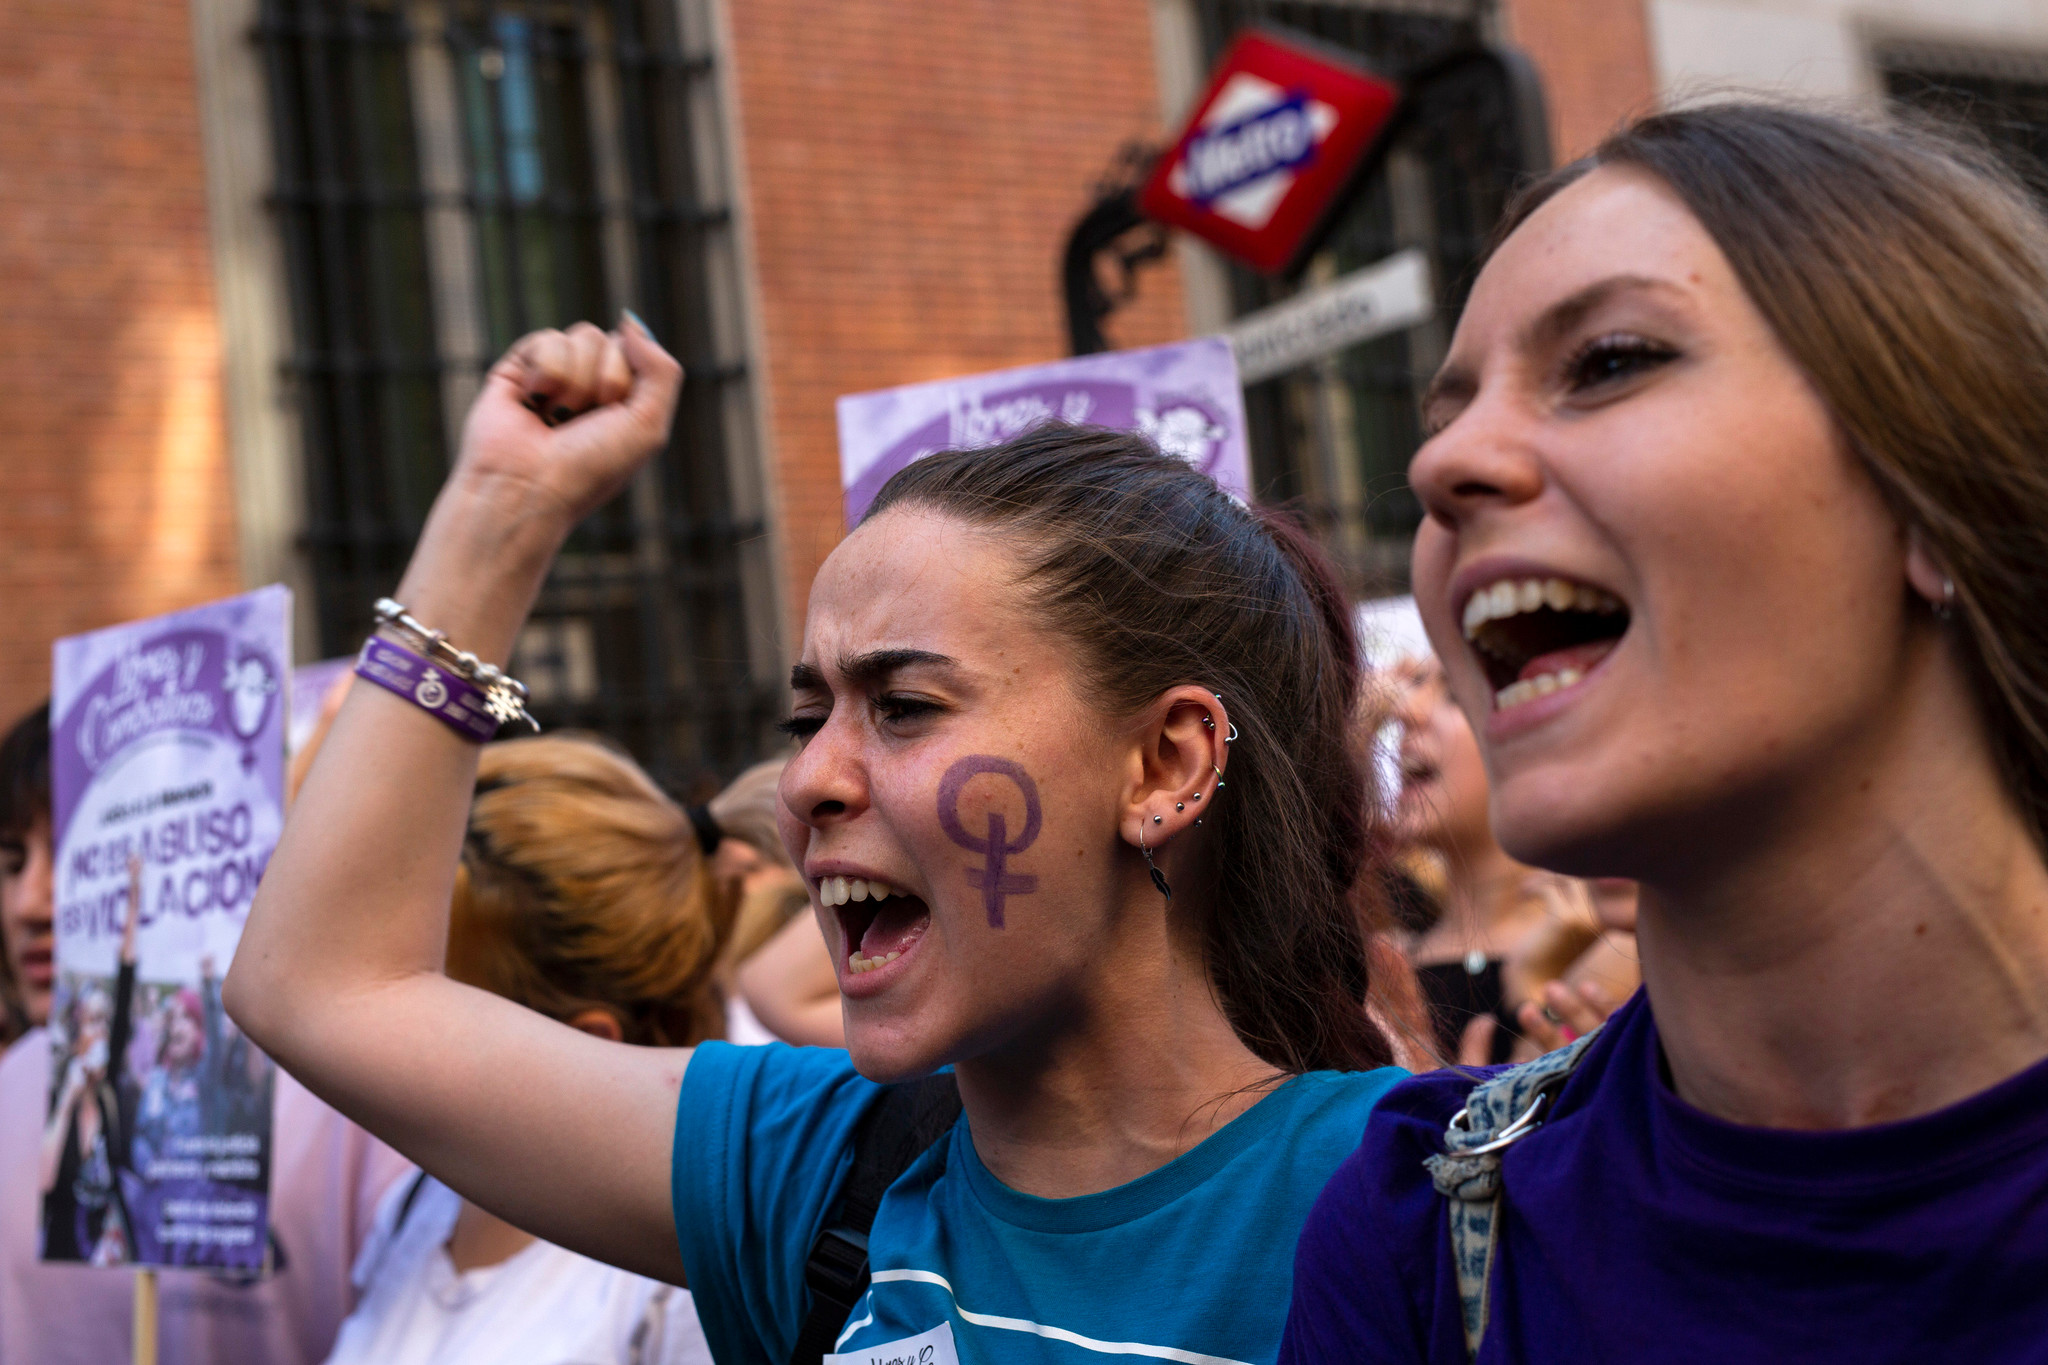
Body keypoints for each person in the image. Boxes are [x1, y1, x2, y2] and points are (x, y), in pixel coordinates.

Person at [224, 314, 1407, 1365]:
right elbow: (319, 989)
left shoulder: (1426, 1210)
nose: (805, 781)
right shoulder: (812, 1176)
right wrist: (501, 509)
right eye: (808, 719)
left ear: (1163, 767)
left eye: (904, 707)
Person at [1281, 101, 2048, 1362]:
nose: (1440, 467)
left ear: (1937, 496)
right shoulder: (1419, 1235)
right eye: (1439, 420)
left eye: (1607, 361)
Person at [0, 702, 409, 1365]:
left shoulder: (349, 1104)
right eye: (12, 860)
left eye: (80, 855)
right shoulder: (13, 1086)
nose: (29, 903)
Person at [323, 733, 720, 1365]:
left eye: (425, 1007)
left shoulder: (675, 1291)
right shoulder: (420, 1202)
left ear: (583, 1044)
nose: (379, 1035)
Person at [1388, 650, 1617, 1063]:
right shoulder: (1382, 968)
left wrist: (1537, 988)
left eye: (1455, 695)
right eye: (1413, 688)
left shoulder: (1606, 951)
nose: (1404, 711)